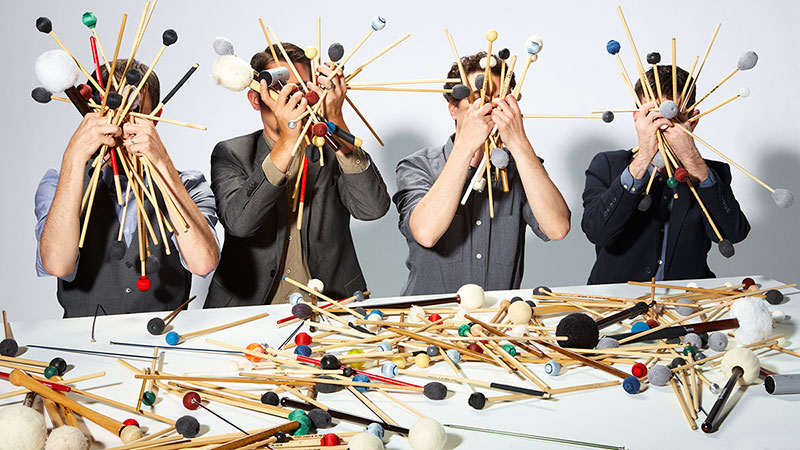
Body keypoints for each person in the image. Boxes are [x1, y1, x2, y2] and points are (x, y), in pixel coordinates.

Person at [206, 43, 390, 307]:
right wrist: (288, 142)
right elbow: (239, 224)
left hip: (329, 306)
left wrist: (336, 121)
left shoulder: (331, 148)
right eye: (281, 88)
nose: (295, 98)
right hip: (248, 309)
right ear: (255, 98)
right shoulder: (232, 153)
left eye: (302, 88)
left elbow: (372, 209)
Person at [35, 59, 220, 318]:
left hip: (164, 343)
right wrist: (73, 157)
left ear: (155, 118)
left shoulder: (189, 185)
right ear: (89, 114)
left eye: (132, 112)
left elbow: (202, 263)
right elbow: (57, 264)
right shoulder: (59, 182)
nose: (119, 127)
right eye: (108, 111)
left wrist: (163, 163)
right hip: (82, 345)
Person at [393, 52, 571, 295]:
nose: (487, 106)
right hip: (431, 319)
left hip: (497, 321)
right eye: (476, 98)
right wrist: (466, 146)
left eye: (497, 100)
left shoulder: (521, 166)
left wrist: (519, 144)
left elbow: (557, 228)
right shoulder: (418, 165)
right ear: (453, 109)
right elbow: (426, 233)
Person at [581, 65, 750, 284]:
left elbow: (733, 234)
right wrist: (642, 159)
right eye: (653, 116)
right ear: (636, 118)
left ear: (694, 120)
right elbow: (597, 233)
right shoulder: (607, 164)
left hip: (686, 303)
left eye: (674, 117)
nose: (663, 125)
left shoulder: (711, 173)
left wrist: (691, 159)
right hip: (619, 302)